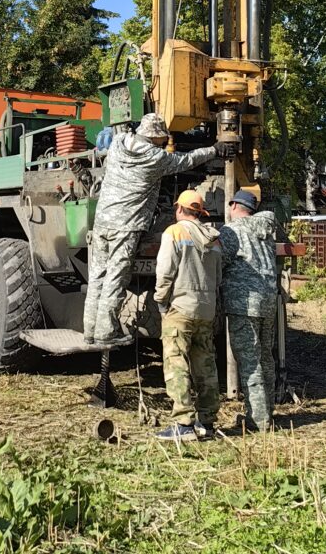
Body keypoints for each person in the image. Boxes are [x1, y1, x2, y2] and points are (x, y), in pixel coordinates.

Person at [82, 112, 230, 347]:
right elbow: (185, 161)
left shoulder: (119, 142)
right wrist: (213, 149)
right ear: (156, 137)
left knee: (98, 274)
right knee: (115, 277)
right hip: (126, 224)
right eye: (163, 137)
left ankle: (89, 330)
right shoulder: (154, 158)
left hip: (102, 219)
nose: (165, 140)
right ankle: (105, 332)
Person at [153, 189, 223, 441]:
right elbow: (218, 278)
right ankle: (208, 422)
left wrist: (161, 302)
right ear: (200, 212)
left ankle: (183, 424)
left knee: (176, 363)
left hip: (180, 309)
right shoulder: (214, 238)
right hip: (206, 309)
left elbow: (165, 272)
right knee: (205, 365)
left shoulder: (174, 232)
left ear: (179, 209)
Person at [219, 189, 279, 432]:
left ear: (233, 205)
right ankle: (268, 411)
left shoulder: (232, 231)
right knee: (266, 358)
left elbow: (218, 260)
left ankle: (258, 419)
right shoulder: (265, 230)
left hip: (244, 304)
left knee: (249, 361)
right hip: (267, 302)